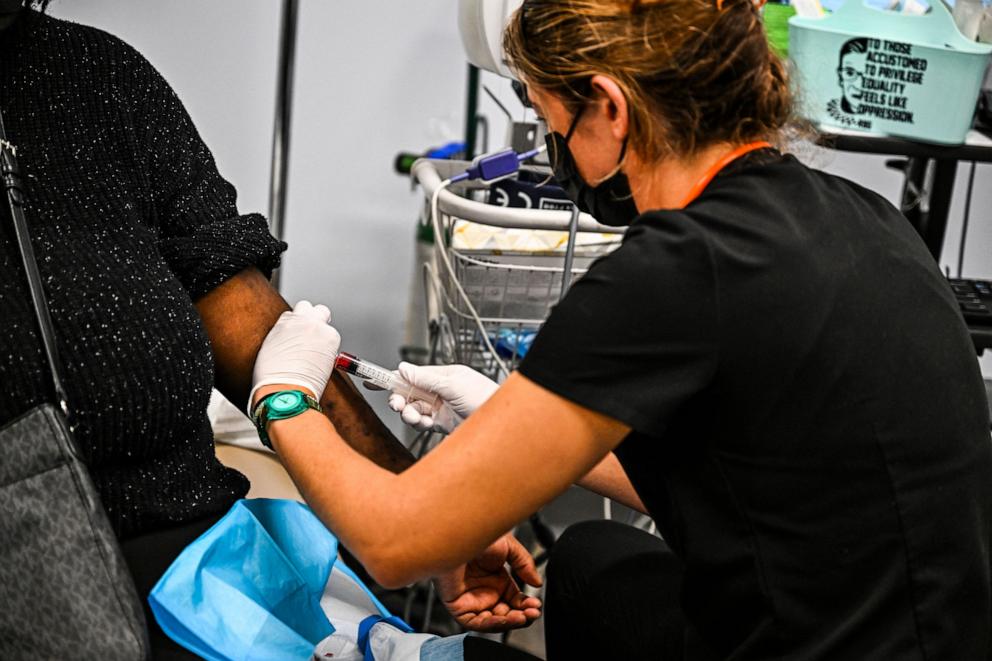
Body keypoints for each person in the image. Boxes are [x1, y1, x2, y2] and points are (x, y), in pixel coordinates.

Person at [245, 0, 992, 658]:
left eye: (550, 121)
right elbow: (744, 473)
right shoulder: (866, 219)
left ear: (610, 106)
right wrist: (504, 413)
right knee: (592, 563)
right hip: (932, 632)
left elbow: (395, 542)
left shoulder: (676, 268)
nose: (552, 149)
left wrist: (282, 395)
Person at [0, 2, 541, 658]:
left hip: (209, 573)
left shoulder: (97, 78)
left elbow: (257, 331)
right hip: (52, 597)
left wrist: (424, 511)